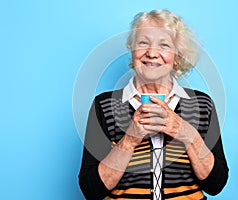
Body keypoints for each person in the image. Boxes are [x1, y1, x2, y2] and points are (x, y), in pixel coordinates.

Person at [79, 9, 229, 200]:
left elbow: (216, 184)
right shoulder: (104, 105)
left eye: (164, 45)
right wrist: (131, 138)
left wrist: (186, 133)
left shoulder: (201, 105)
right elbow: (91, 191)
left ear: (177, 57)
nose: (152, 53)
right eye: (143, 43)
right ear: (133, 51)